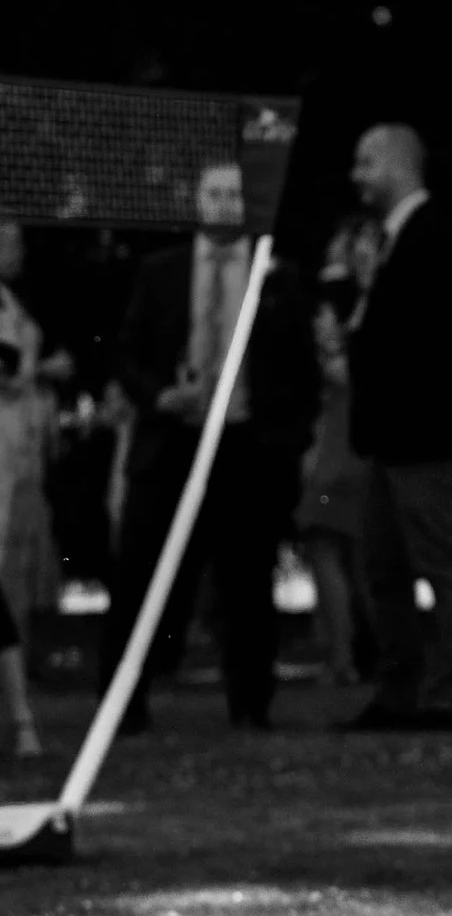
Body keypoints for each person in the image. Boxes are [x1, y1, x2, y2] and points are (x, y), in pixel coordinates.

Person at [103, 161, 319, 732]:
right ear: (197, 202)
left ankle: (251, 704)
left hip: (247, 448)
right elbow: (126, 355)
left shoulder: (279, 276)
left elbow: (301, 371)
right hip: (170, 445)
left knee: (247, 578)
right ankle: (123, 703)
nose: (224, 204)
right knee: (141, 573)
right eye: (213, 194)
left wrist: (288, 444)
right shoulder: (161, 272)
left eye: (234, 195)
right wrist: (160, 397)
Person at [337, 123, 452, 733]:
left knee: (437, 565)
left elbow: (428, 343)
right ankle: (396, 694)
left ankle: (446, 697)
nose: (356, 176)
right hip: (386, 439)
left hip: (423, 438)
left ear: (394, 165)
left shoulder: (435, 236)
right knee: (384, 571)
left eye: (365, 163)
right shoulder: (390, 241)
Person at [296, 219, 379, 686]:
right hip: (358, 445)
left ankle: (344, 657)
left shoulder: (332, 297)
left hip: (337, 446)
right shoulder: (370, 295)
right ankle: (365, 653)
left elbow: (335, 368)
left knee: (327, 548)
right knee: (357, 554)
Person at [0, 215, 63, 740]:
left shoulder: (12, 305)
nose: (16, 250)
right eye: (9, 240)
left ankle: (17, 711)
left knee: (13, 573)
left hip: (20, 453)